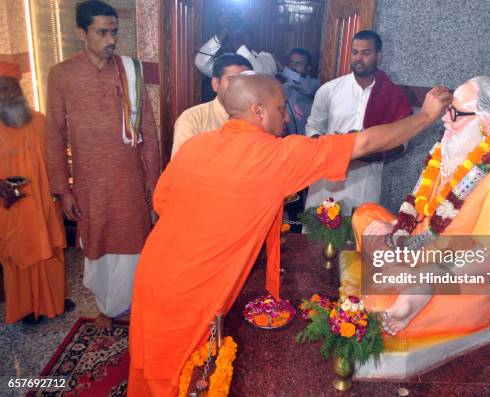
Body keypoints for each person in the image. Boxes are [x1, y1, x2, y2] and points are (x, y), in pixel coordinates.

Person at [127, 74, 451, 396]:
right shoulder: (275, 155)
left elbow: (162, 202)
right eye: (281, 108)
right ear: (257, 111)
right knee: (178, 380)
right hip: (192, 293)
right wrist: (424, 116)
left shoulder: (196, 145)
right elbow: (364, 142)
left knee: (148, 370)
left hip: (152, 273)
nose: (287, 116)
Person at [353, 76, 490, 337]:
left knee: (372, 307)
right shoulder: (447, 151)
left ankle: (405, 286)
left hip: (453, 281)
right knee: (364, 214)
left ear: (485, 125)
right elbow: (420, 213)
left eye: (455, 113)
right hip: (415, 252)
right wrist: (395, 228)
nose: (444, 119)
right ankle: (404, 282)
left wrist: (428, 276)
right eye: (447, 110)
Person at [46, 0, 160, 329]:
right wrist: (61, 190)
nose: (111, 40)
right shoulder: (62, 75)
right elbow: (53, 135)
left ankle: (135, 305)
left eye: (115, 32)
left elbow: (149, 133)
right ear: (81, 33)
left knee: (133, 245)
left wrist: (153, 180)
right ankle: (106, 307)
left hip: (129, 180)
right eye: (102, 32)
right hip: (89, 183)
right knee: (97, 247)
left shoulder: (130, 71)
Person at [305, 30, 413, 213]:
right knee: (316, 232)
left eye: (366, 53)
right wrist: (326, 146)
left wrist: (375, 151)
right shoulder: (329, 90)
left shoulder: (393, 96)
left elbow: (402, 140)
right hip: (327, 177)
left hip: (365, 177)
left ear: (379, 56)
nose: (358, 58)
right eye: (354, 52)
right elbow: (313, 125)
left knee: (357, 233)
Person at [0, 61, 71, 324]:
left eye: (12, 88)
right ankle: (27, 308)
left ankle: (55, 301)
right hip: (12, 207)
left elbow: (58, 159)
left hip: (45, 203)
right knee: (20, 257)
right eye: (2, 90)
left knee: (52, 249)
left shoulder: (40, 121)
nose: (8, 94)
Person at [172, 53, 252, 158]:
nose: (239, 87)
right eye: (232, 80)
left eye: (245, 82)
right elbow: (181, 168)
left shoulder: (257, 118)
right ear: (215, 84)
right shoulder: (193, 119)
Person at [195, 13, 277, 77]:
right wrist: (222, 33)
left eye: (244, 34)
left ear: (253, 37)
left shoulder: (266, 57)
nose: (240, 37)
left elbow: (258, 75)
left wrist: (236, 39)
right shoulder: (226, 63)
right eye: (239, 34)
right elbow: (201, 63)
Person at [279, 48, 320, 135]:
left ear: (308, 68)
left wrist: (286, 72)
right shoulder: (281, 81)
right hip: (285, 136)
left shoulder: (314, 84)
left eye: (298, 64)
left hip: (305, 137)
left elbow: (307, 88)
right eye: (291, 62)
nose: (293, 67)